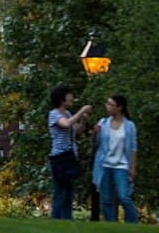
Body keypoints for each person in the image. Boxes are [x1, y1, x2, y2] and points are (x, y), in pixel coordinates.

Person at [92, 94, 139, 223]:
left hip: (122, 165)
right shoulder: (103, 123)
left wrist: (133, 168)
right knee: (106, 199)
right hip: (104, 165)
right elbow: (95, 143)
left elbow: (133, 148)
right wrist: (95, 132)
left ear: (120, 107)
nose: (108, 107)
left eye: (111, 105)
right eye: (107, 104)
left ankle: (133, 223)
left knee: (124, 196)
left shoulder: (129, 126)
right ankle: (110, 224)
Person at [48, 85, 93, 220]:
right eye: (69, 95)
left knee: (69, 194)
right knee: (60, 193)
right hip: (59, 158)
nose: (72, 97)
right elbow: (66, 124)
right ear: (62, 100)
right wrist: (81, 111)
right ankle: (55, 221)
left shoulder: (67, 114)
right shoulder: (54, 114)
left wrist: (83, 122)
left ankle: (67, 222)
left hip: (70, 158)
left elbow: (76, 130)